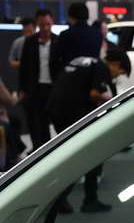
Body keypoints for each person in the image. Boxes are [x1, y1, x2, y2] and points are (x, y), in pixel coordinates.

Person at [49, 46, 128, 214]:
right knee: (90, 155)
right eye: (120, 72)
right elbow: (94, 93)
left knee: (72, 156)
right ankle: (83, 200)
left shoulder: (85, 61)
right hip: (72, 113)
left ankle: (61, 199)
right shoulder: (101, 67)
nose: (116, 76)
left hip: (56, 110)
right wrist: (113, 100)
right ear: (115, 64)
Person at [15, 9, 58, 146]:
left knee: (56, 121)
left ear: (52, 23)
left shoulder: (58, 40)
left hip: (53, 88)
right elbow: (24, 67)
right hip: (35, 88)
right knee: (36, 122)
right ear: (37, 24)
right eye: (42, 25)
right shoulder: (30, 41)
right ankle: (38, 149)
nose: (45, 28)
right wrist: (21, 89)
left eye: (48, 24)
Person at [53, 1, 103, 67]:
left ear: (71, 17)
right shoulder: (98, 34)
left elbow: (56, 58)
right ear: (87, 16)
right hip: (93, 72)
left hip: (71, 72)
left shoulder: (65, 35)